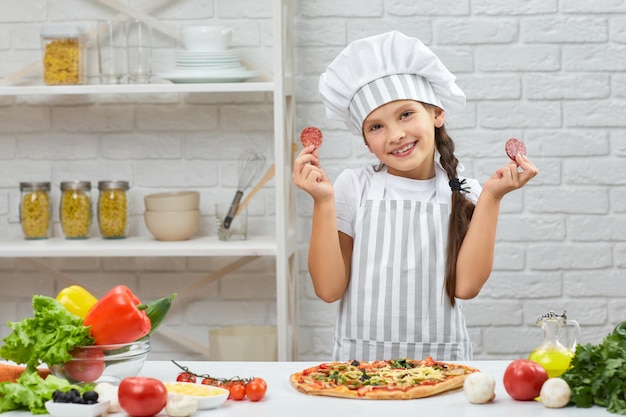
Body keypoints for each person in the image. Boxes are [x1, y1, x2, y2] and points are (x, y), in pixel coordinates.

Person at [292, 31, 539, 361]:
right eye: (375, 126)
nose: (395, 135)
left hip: (442, 366)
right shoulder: (354, 186)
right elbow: (328, 289)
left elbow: (465, 288)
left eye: (406, 114)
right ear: (366, 141)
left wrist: (492, 197)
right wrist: (322, 201)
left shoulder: (465, 190)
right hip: (360, 368)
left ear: (437, 114)